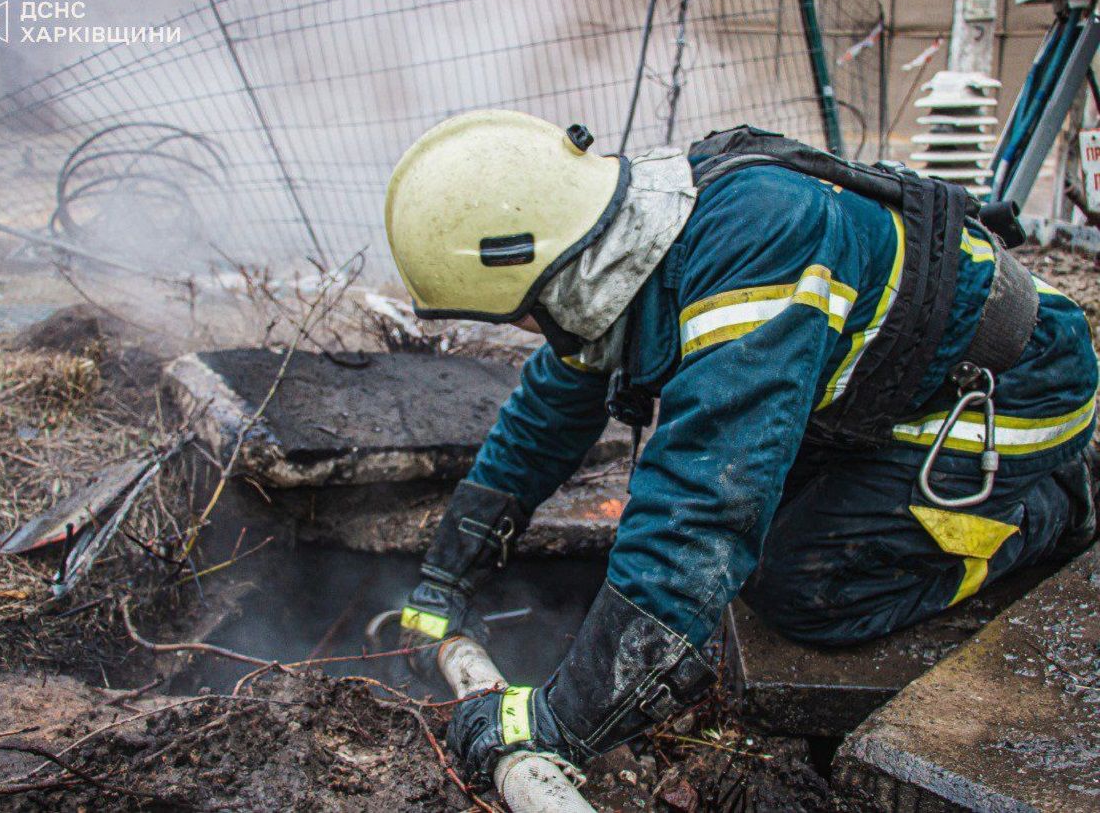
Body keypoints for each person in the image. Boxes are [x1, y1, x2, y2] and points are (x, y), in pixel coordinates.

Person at [382, 109, 1099, 785]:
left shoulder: (755, 242)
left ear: (545, 271)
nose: (534, 329)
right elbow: (542, 419)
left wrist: (558, 721)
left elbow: (702, 510)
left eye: (525, 312)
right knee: (756, 545)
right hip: (890, 395)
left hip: (1014, 394)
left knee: (803, 586)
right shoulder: (618, 246)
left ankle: (1057, 505)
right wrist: (445, 580)